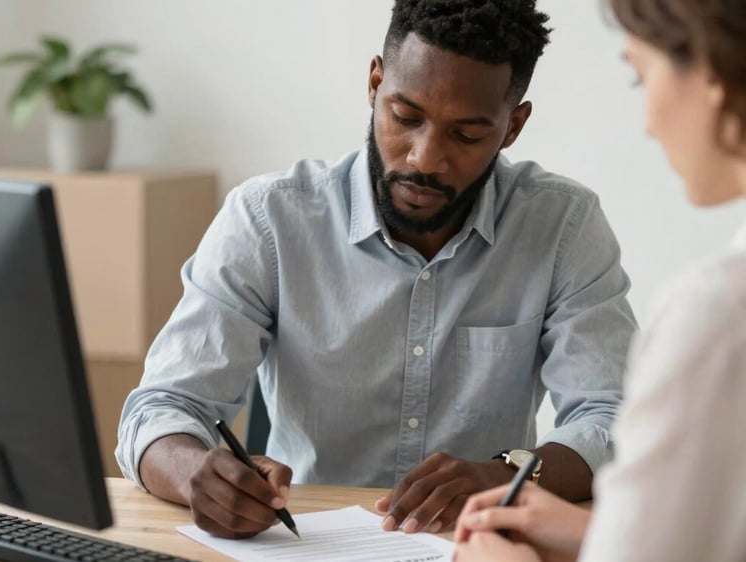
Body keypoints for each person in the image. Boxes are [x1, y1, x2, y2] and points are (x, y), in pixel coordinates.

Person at [116, 0, 637, 539]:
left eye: (466, 135)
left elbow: (618, 419)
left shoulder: (562, 227)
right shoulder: (268, 220)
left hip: (477, 549)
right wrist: (196, 473)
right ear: (374, 83)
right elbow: (162, 407)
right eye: (406, 117)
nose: (424, 159)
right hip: (301, 547)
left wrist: (506, 475)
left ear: (513, 127)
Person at [453, 0, 746, 561]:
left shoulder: (716, 313)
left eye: (641, 76)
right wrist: (595, 537)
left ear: (711, 75)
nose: (649, 123)